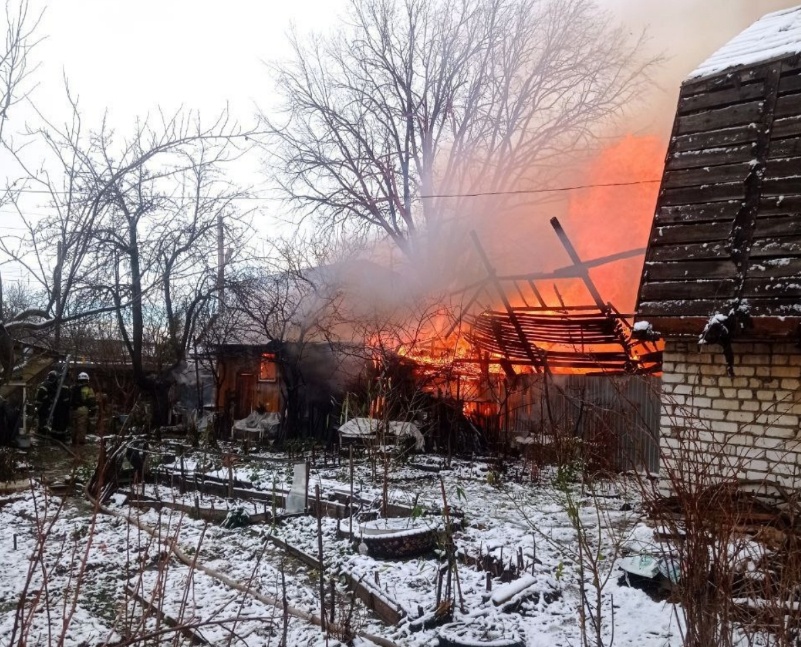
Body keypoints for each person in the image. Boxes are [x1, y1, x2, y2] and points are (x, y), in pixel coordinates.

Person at [70, 372, 97, 445]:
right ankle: (81, 441)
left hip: (73, 410)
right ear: (87, 379)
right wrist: (93, 410)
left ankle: (73, 440)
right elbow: (92, 400)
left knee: (74, 425)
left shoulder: (73, 387)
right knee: (82, 425)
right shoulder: (88, 388)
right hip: (83, 409)